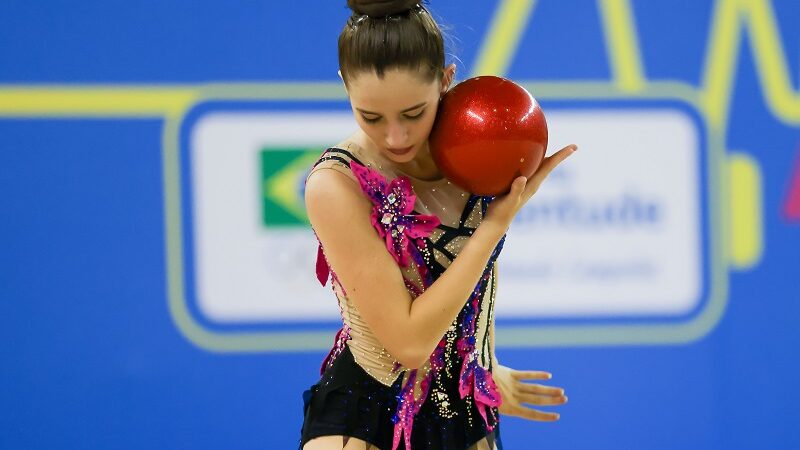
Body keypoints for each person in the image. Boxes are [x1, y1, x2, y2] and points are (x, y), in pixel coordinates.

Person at [300, 1, 576, 449]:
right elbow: (408, 345)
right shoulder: (336, 185)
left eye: (414, 113)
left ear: (446, 82)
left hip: (466, 418)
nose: (395, 137)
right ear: (345, 88)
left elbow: (469, 287)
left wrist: (475, 363)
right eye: (370, 116)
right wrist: (495, 224)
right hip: (365, 421)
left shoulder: (480, 146)